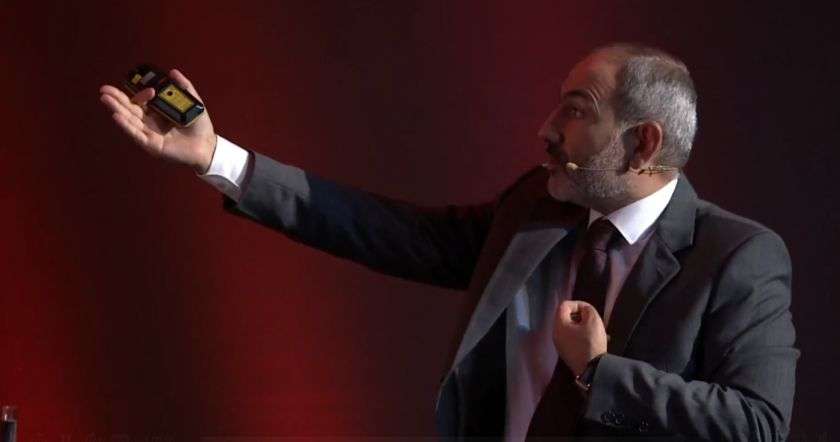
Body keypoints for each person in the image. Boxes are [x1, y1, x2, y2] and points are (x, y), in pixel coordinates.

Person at [99, 43, 798, 441]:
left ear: (643, 143)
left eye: (575, 111)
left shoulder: (738, 257)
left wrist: (597, 371)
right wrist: (217, 157)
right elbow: (390, 232)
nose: (546, 129)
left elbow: (758, 424)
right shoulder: (535, 207)